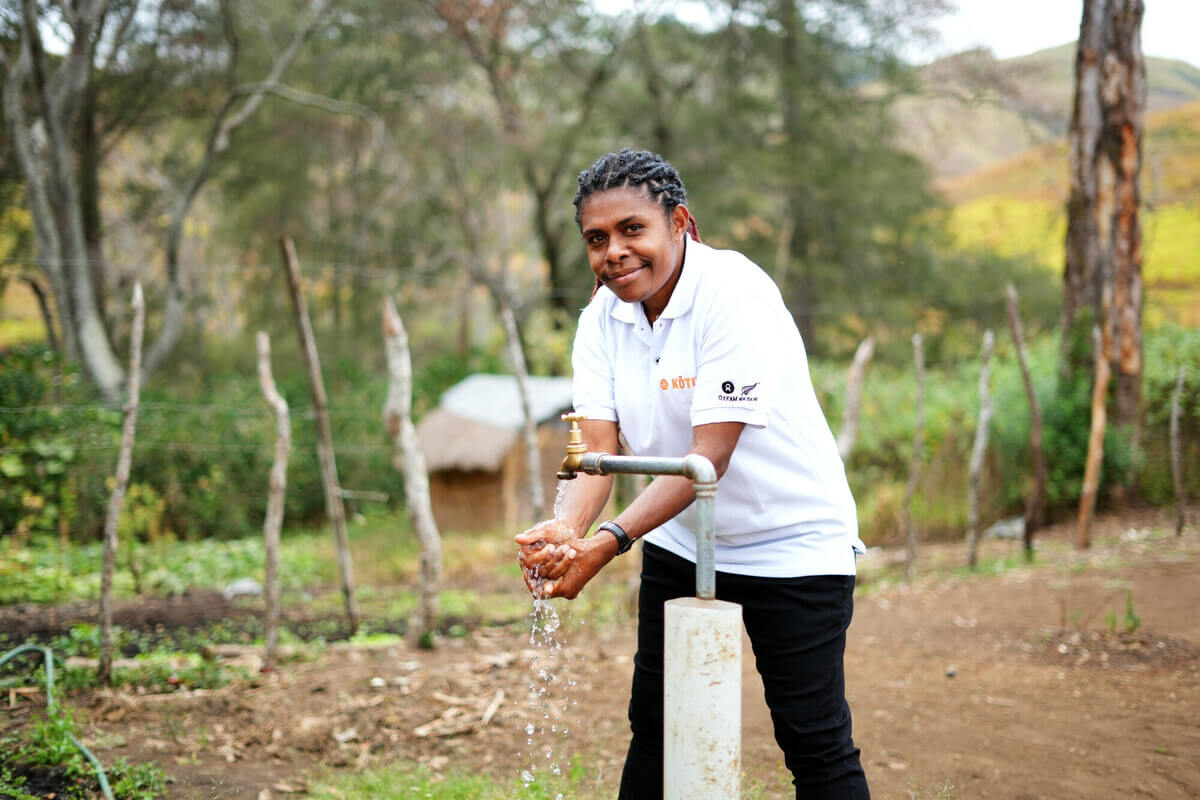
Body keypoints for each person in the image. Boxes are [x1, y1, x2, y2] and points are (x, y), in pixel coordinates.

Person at [515, 148, 870, 800]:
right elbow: (595, 453)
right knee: (657, 728)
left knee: (813, 740)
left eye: (632, 229)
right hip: (683, 541)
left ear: (680, 222)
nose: (614, 252)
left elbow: (707, 461)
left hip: (789, 544)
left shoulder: (734, 295)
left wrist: (608, 542)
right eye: (597, 239)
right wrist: (567, 530)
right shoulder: (602, 318)